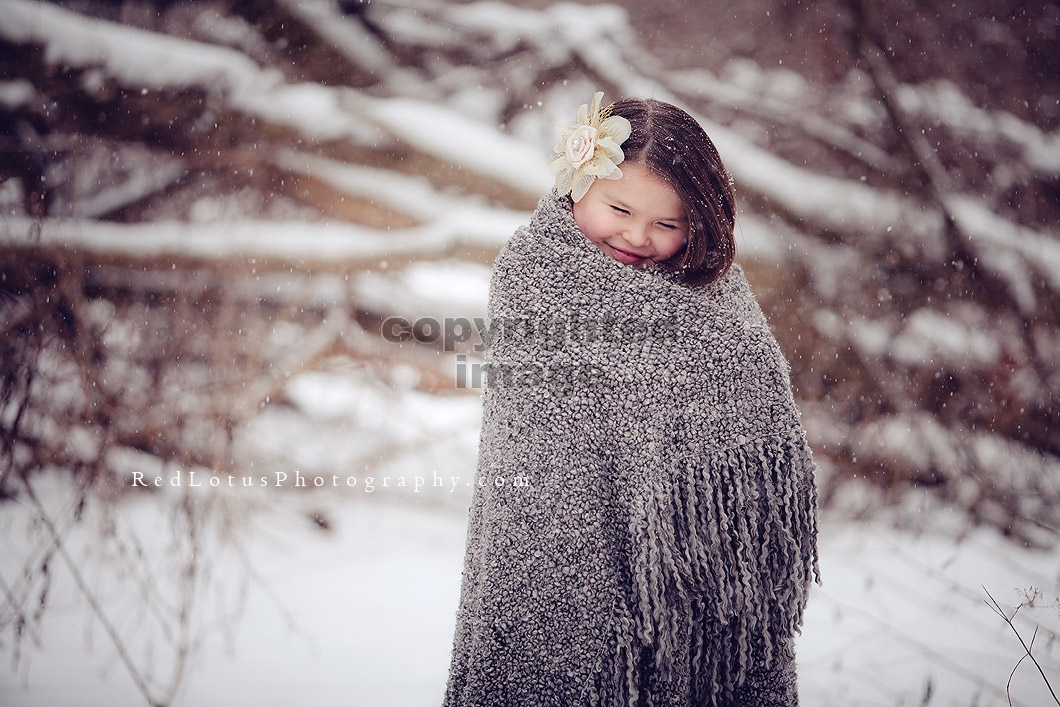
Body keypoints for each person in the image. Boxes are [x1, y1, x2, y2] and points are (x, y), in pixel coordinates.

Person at [443, 92, 819, 707]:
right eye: (620, 207)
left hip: (692, 593)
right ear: (577, 184)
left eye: (667, 224)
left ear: (698, 225)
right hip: (551, 555)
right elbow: (531, 448)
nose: (637, 235)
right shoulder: (534, 277)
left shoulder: (715, 303)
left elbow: (751, 448)